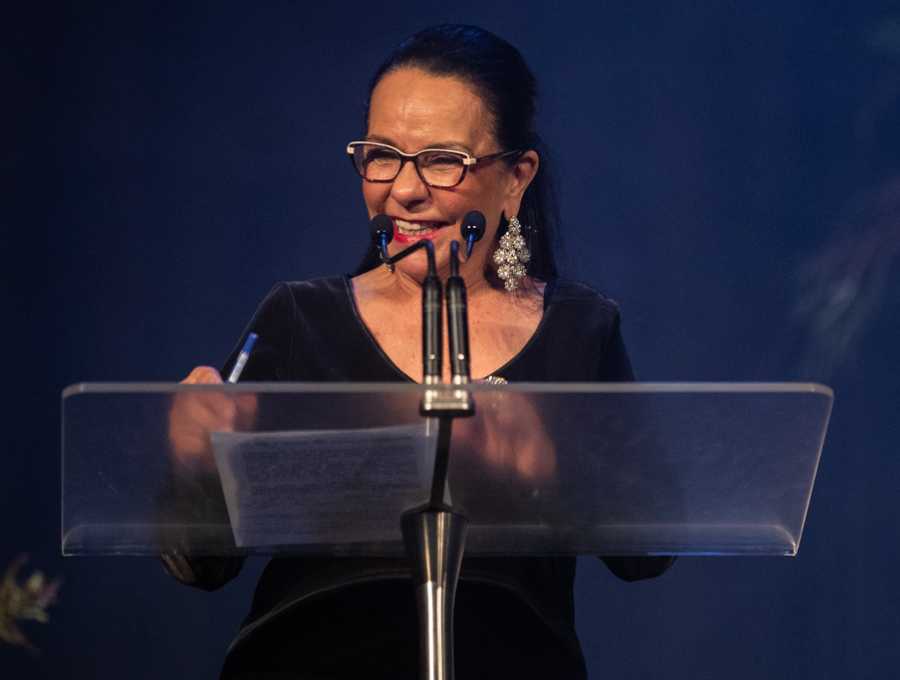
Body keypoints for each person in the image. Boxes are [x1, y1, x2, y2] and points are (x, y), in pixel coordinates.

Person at [164, 24, 674, 680]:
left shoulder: (581, 330)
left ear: (516, 178)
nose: (403, 190)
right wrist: (194, 464)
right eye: (381, 155)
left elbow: (647, 553)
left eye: (441, 160)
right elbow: (202, 566)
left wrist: (557, 473)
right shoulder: (299, 319)